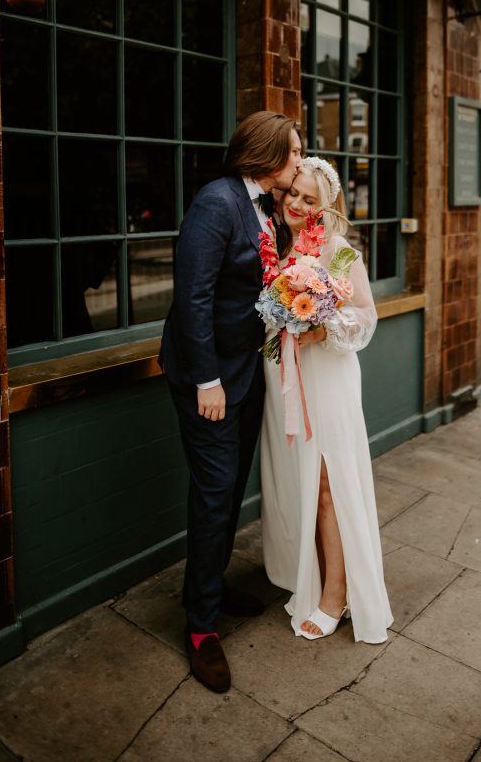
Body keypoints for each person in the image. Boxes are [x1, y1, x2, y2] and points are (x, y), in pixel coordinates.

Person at [160, 110, 302, 693]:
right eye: (293, 153)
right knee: (216, 496)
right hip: (210, 379)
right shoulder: (217, 202)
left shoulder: (266, 207)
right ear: (267, 156)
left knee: (232, 486)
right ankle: (199, 629)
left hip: (248, 374)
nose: (299, 161)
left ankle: (210, 586)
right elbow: (192, 298)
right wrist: (207, 381)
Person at [261, 157, 394, 642]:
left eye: (309, 199)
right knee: (302, 485)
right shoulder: (276, 245)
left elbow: (365, 317)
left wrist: (323, 327)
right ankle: (312, 577)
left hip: (328, 376)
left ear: (326, 205)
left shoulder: (338, 252)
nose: (296, 203)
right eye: (293, 193)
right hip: (286, 378)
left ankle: (336, 594)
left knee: (327, 485)